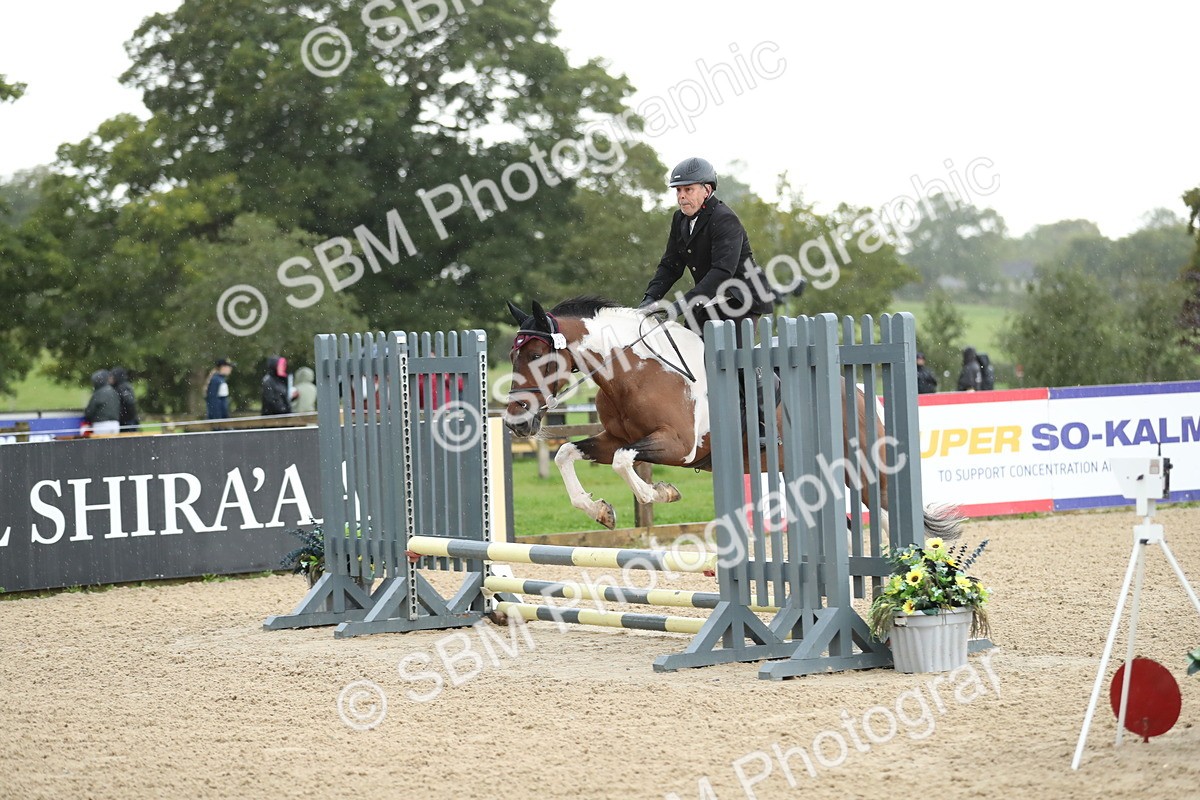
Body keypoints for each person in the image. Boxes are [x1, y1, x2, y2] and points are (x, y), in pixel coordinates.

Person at [637, 157, 776, 345]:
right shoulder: (679, 219)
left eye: (688, 189)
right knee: (687, 351)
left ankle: (755, 373)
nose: (681, 196)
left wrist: (679, 306)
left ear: (707, 190)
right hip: (709, 298)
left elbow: (721, 273)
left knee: (733, 363)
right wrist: (650, 298)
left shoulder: (725, 219)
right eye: (678, 190)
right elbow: (671, 265)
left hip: (741, 298)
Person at [83, 369, 121, 435]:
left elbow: (89, 412)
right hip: (115, 424)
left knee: (101, 445)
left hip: (101, 425)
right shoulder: (114, 391)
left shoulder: (98, 393)